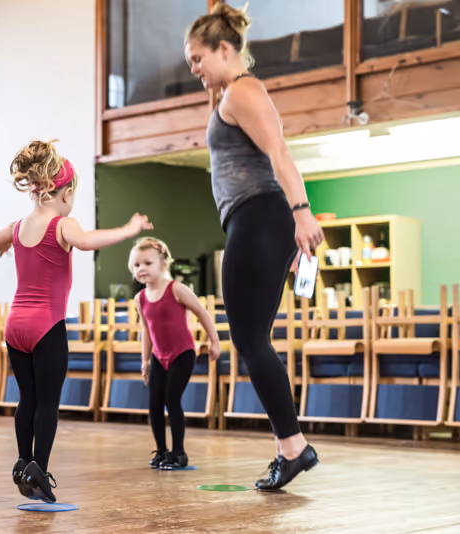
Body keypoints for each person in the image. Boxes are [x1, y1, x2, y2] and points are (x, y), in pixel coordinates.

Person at [185, 2, 325, 490]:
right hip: (256, 220)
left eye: (198, 59)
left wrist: (301, 212)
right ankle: (291, 447)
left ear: (224, 49)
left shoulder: (244, 91)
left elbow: (279, 153)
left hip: (261, 216)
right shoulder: (229, 94)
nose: (194, 70)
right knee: (251, 339)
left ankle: (293, 447)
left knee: (249, 340)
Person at [0, 139, 153, 502]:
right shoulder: (62, 223)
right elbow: (87, 241)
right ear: (66, 191)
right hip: (46, 325)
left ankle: (23, 461)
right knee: (47, 403)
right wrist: (128, 230)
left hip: (15, 326)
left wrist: (4, 243)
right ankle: (38, 469)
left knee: (27, 399)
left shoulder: (19, 226)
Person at [129, 237, 220, 470]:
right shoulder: (140, 298)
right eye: (137, 265)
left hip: (182, 353)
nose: (142, 269)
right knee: (154, 404)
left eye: (148, 263)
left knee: (172, 399)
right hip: (159, 356)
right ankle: (162, 451)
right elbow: (146, 330)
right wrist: (145, 361)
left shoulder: (177, 289)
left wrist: (214, 341)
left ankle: (179, 453)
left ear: (163, 265)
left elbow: (202, 312)